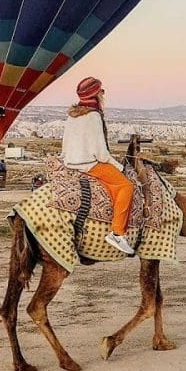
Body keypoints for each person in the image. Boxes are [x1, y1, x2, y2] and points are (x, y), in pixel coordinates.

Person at [61, 77, 136, 255]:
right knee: (126, 186)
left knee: (113, 184)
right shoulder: (94, 116)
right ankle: (117, 233)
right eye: (101, 91)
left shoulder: (72, 115)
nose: (103, 94)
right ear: (96, 94)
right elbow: (101, 154)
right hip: (90, 165)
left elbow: (64, 145)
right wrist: (119, 166)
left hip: (71, 163)